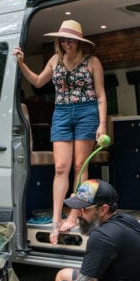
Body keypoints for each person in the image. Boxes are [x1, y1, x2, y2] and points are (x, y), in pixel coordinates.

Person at [13, 20, 108, 244]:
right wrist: (21, 63)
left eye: (71, 40)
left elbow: (101, 95)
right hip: (62, 114)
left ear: (79, 41)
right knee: (61, 167)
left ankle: (75, 214)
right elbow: (37, 81)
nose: (67, 44)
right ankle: (57, 217)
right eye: (63, 40)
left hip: (87, 112)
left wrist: (102, 124)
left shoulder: (92, 62)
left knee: (80, 166)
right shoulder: (55, 60)